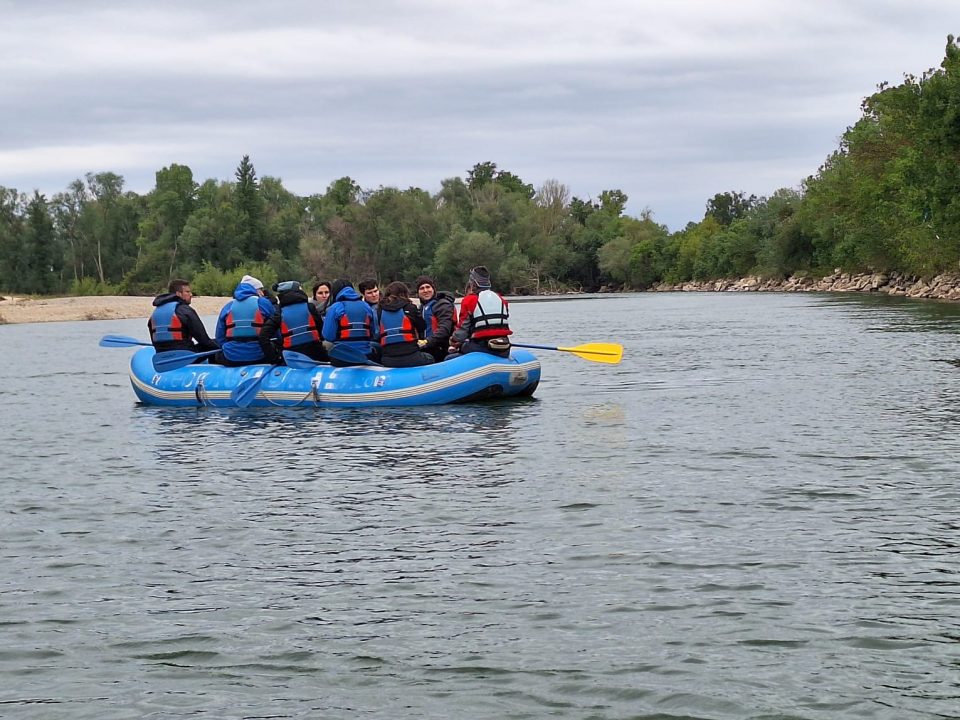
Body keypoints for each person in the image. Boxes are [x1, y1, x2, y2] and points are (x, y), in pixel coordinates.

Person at [448, 265, 512, 358]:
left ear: (472, 283)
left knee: (449, 357)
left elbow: (462, 332)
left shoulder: (469, 300)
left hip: (481, 348)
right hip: (504, 348)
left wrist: (453, 340)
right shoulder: (501, 299)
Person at [214, 274, 277, 366]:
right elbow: (276, 331)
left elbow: (220, 337)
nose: (263, 293)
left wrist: (229, 348)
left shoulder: (228, 306)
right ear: (255, 290)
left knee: (217, 355)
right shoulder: (264, 303)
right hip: (260, 356)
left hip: (231, 357)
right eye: (261, 290)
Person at [259, 281, 328, 363]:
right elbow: (322, 330)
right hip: (317, 354)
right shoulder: (310, 307)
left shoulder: (279, 313)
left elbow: (263, 336)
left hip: (292, 358)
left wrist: (274, 358)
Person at [148, 279, 219, 357]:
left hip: (161, 356)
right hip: (185, 356)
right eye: (187, 292)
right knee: (217, 342)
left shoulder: (155, 312)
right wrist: (220, 348)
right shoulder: (184, 310)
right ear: (178, 294)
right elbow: (204, 340)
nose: (191, 294)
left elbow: (154, 340)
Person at [321, 279, 380, 366]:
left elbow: (328, 336)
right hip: (366, 355)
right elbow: (375, 333)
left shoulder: (335, 307)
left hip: (342, 358)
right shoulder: (366, 306)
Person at [377, 281, 435, 368]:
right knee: (430, 358)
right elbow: (422, 326)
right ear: (404, 293)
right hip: (411, 356)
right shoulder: (410, 307)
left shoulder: (379, 310)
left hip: (388, 359)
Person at [414, 274, 455, 363]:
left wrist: (427, 342)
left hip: (441, 348)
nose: (425, 290)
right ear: (418, 292)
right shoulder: (421, 308)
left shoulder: (442, 305)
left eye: (428, 287)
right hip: (426, 347)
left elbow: (444, 329)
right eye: (422, 288)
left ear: (433, 289)